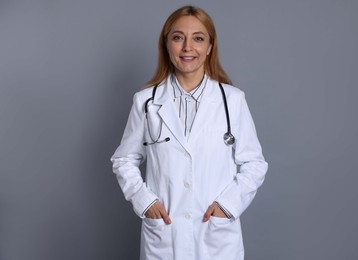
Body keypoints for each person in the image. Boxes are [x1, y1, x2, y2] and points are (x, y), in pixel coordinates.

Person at [111, 5, 268, 260]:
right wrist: (144, 201)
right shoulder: (146, 102)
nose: (187, 47)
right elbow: (124, 159)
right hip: (166, 236)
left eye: (198, 38)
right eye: (177, 37)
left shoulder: (233, 100)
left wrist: (227, 207)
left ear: (209, 46)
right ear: (166, 44)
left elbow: (254, 164)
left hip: (215, 236)